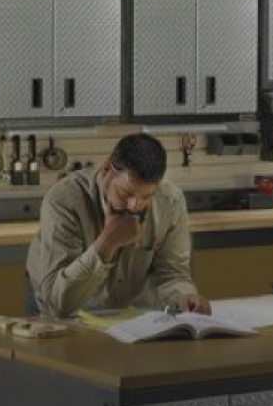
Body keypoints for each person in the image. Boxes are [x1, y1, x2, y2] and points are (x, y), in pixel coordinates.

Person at [26, 133, 210, 318]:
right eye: (125, 194)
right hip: (71, 316)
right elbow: (57, 304)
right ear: (106, 170)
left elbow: (171, 274)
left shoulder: (170, 201)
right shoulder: (64, 200)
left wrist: (183, 297)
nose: (134, 206)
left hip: (132, 320)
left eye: (146, 197)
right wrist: (107, 243)